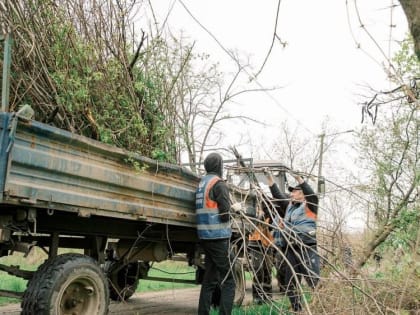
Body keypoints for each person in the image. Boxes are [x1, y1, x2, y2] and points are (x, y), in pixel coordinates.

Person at [264, 168, 320, 312]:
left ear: (302, 194)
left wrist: (299, 177)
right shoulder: (289, 206)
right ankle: (298, 310)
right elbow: (276, 194)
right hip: (291, 249)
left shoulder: (310, 205)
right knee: (291, 285)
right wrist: (269, 178)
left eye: (294, 191)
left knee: (314, 282)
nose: (291, 194)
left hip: (307, 248)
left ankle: (320, 307)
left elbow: (312, 194)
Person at [195, 152, 236, 315]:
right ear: (219, 166)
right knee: (230, 280)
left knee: (210, 280)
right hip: (218, 238)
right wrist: (235, 209)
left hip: (205, 237)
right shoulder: (218, 184)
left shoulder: (202, 183)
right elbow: (225, 214)